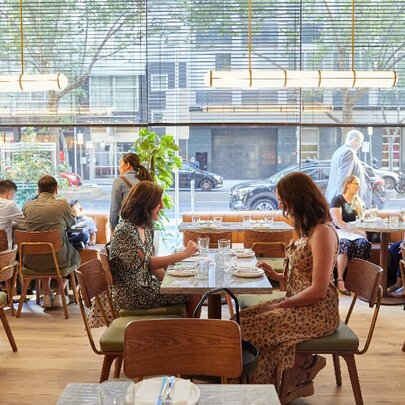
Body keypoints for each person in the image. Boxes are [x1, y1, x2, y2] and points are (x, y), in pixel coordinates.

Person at [238, 172, 339, 402]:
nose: (281, 206)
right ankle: (267, 382)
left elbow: (318, 290)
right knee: (240, 319)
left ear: (299, 199)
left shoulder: (322, 232)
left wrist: (283, 304)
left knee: (249, 328)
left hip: (318, 311)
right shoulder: (308, 228)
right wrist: (276, 276)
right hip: (300, 302)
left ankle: (287, 376)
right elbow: (302, 276)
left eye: (283, 201)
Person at [109, 181, 201, 317]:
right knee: (195, 293)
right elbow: (148, 262)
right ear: (147, 204)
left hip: (144, 286)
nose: (163, 206)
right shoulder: (125, 230)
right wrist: (184, 254)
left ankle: (183, 331)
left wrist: (172, 285)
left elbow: (151, 266)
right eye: (159, 202)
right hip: (132, 294)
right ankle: (188, 334)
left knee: (191, 289)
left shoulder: (143, 228)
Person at [23, 175, 80, 308]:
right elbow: (71, 223)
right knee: (73, 257)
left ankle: (47, 295)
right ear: (56, 189)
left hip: (31, 261)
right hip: (58, 260)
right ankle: (60, 294)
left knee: (43, 252)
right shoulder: (62, 204)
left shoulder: (27, 205)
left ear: (38, 190)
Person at [330, 175, 371, 295]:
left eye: (359, 184)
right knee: (344, 244)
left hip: (355, 232)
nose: (358, 186)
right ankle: (340, 279)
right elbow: (337, 221)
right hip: (341, 231)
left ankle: (358, 280)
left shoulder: (358, 201)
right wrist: (355, 231)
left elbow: (361, 220)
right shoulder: (338, 200)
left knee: (362, 244)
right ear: (348, 184)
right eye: (355, 184)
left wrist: (361, 231)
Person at [325, 129, 372, 208]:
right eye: (361, 142)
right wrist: (345, 206)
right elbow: (343, 180)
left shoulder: (339, 151)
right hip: (346, 204)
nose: (361, 145)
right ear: (355, 141)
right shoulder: (349, 153)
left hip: (342, 202)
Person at [109, 152, 152, 232]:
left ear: (128, 165)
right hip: (146, 228)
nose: (119, 167)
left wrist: (112, 228)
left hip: (128, 229)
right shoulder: (145, 180)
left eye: (120, 163)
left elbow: (115, 208)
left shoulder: (119, 181)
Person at [0, 180, 25, 250]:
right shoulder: (9, 204)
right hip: (3, 252)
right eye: (14, 195)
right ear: (10, 194)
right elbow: (25, 224)